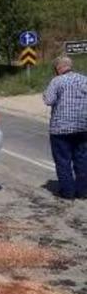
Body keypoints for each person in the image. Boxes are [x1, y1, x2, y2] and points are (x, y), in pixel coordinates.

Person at [42, 56, 87, 199]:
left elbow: (49, 100)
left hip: (60, 129)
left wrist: (45, 94)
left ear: (58, 68)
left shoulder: (56, 81)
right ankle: (83, 191)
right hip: (82, 127)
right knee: (82, 160)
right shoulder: (84, 79)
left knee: (63, 161)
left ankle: (68, 192)